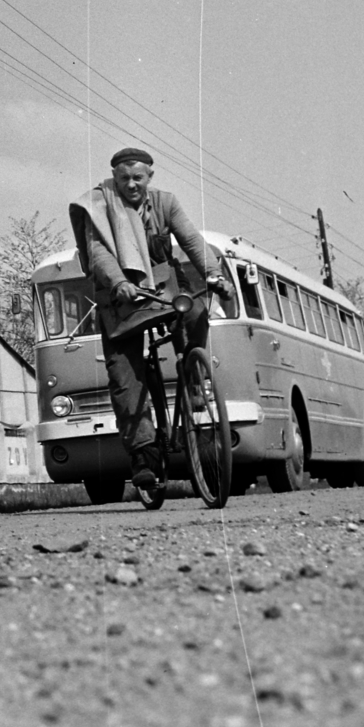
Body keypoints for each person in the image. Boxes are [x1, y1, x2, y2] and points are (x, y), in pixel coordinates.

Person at [68, 146, 231, 503]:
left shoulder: (165, 203)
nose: (130, 185)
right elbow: (97, 251)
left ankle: (192, 379)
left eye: (137, 178)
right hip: (121, 300)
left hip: (164, 290)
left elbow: (190, 240)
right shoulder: (97, 204)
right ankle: (144, 454)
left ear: (149, 177)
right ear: (114, 178)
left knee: (196, 311)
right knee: (124, 373)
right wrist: (118, 281)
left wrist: (214, 274)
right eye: (123, 178)